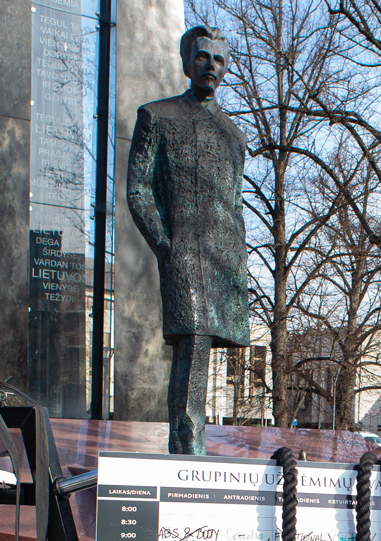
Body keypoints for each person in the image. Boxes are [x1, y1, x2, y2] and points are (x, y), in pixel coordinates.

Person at [126, 25, 249, 455]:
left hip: (224, 257)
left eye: (218, 60)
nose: (210, 66)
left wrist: (238, 261)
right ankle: (186, 445)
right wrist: (165, 244)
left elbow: (235, 202)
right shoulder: (156, 116)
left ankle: (191, 442)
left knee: (204, 347)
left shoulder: (234, 135)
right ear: (186, 62)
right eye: (201, 57)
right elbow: (138, 189)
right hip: (183, 249)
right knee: (192, 341)